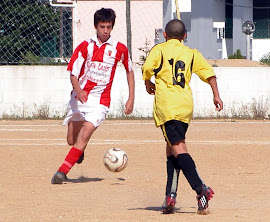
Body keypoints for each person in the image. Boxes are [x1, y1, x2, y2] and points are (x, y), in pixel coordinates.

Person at [142, 19, 223, 214]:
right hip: (185, 107)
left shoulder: (159, 50)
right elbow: (209, 73)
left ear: (165, 35)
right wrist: (216, 94)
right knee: (172, 149)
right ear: (184, 36)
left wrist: (148, 83)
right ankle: (170, 196)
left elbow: (147, 69)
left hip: (168, 107)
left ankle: (200, 188)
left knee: (178, 148)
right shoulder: (191, 53)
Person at [51, 8, 135, 184]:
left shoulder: (119, 48)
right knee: (71, 140)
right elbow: (73, 73)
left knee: (85, 134)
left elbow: (129, 71)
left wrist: (131, 98)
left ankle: (61, 172)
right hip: (80, 97)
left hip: (100, 101)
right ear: (95, 26)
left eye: (108, 27)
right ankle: (78, 152)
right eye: (102, 27)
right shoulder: (85, 46)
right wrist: (79, 90)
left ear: (112, 27)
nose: (105, 31)